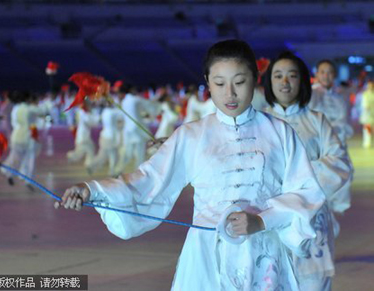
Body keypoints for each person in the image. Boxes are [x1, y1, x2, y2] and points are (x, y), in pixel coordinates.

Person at [55, 40, 325, 290]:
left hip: (264, 256)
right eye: (219, 83)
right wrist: (92, 190)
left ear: (255, 80)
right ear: (207, 83)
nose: (230, 93)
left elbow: (306, 191)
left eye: (240, 82)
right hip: (205, 256)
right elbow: (148, 181)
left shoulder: (280, 132)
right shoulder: (191, 135)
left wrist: (261, 220)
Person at [263, 52, 353, 290]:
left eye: (292, 76)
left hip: (311, 223)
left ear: (303, 81)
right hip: (269, 222)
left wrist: (296, 180)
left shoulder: (317, 120)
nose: (285, 82)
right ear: (269, 82)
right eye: (278, 76)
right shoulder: (259, 122)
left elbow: (340, 163)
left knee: (313, 284)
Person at [309, 60, 353, 147]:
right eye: (322, 72)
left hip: (339, 142)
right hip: (317, 143)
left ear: (335, 75)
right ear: (316, 74)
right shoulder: (310, 93)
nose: (326, 76)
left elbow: (344, 119)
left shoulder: (340, 95)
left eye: (330, 72)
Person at [360, 81, 374, 148]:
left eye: (371, 85)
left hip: (372, 113)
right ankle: (367, 142)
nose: (370, 87)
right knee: (367, 128)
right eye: (369, 85)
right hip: (367, 114)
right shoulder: (365, 94)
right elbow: (364, 105)